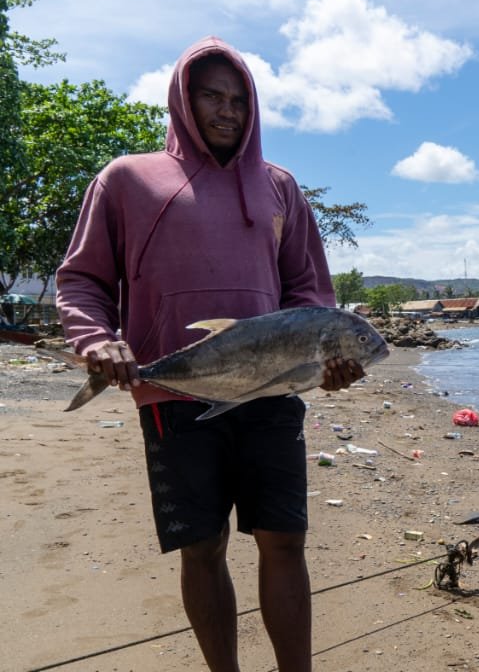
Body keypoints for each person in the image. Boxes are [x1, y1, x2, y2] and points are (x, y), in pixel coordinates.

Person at [55, 36, 364, 672]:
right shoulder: (127, 180)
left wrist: (328, 358)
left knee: (285, 540)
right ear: (182, 100)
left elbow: (309, 291)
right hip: (175, 393)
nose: (228, 112)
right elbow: (81, 278)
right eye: (212, 97)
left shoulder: (279, 187)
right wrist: (96, 339)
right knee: (202, 545)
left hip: (272, 390)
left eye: (239, 100)